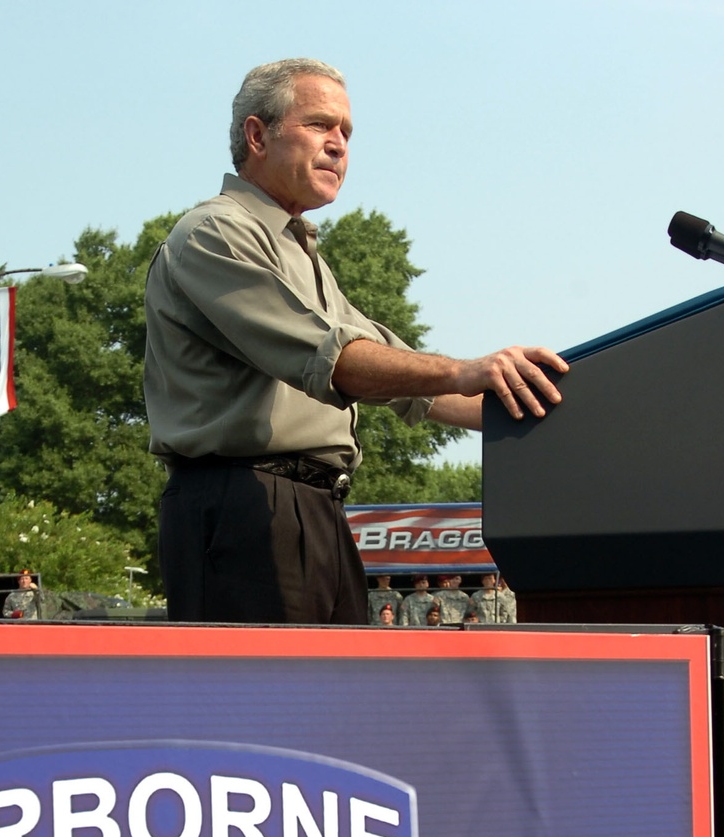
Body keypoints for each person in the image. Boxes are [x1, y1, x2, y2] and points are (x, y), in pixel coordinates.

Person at [143, 57, 567, 626]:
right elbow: (338, 361)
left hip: (314, 509)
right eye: (320, 125)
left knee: (331, 705)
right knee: (267, 706)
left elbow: (404, 380)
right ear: (257, 134)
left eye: (346, 132)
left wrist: (547, 411)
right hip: (243, 508)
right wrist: (465, 369)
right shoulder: (215, 232)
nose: (339, 145)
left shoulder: (301, 250)